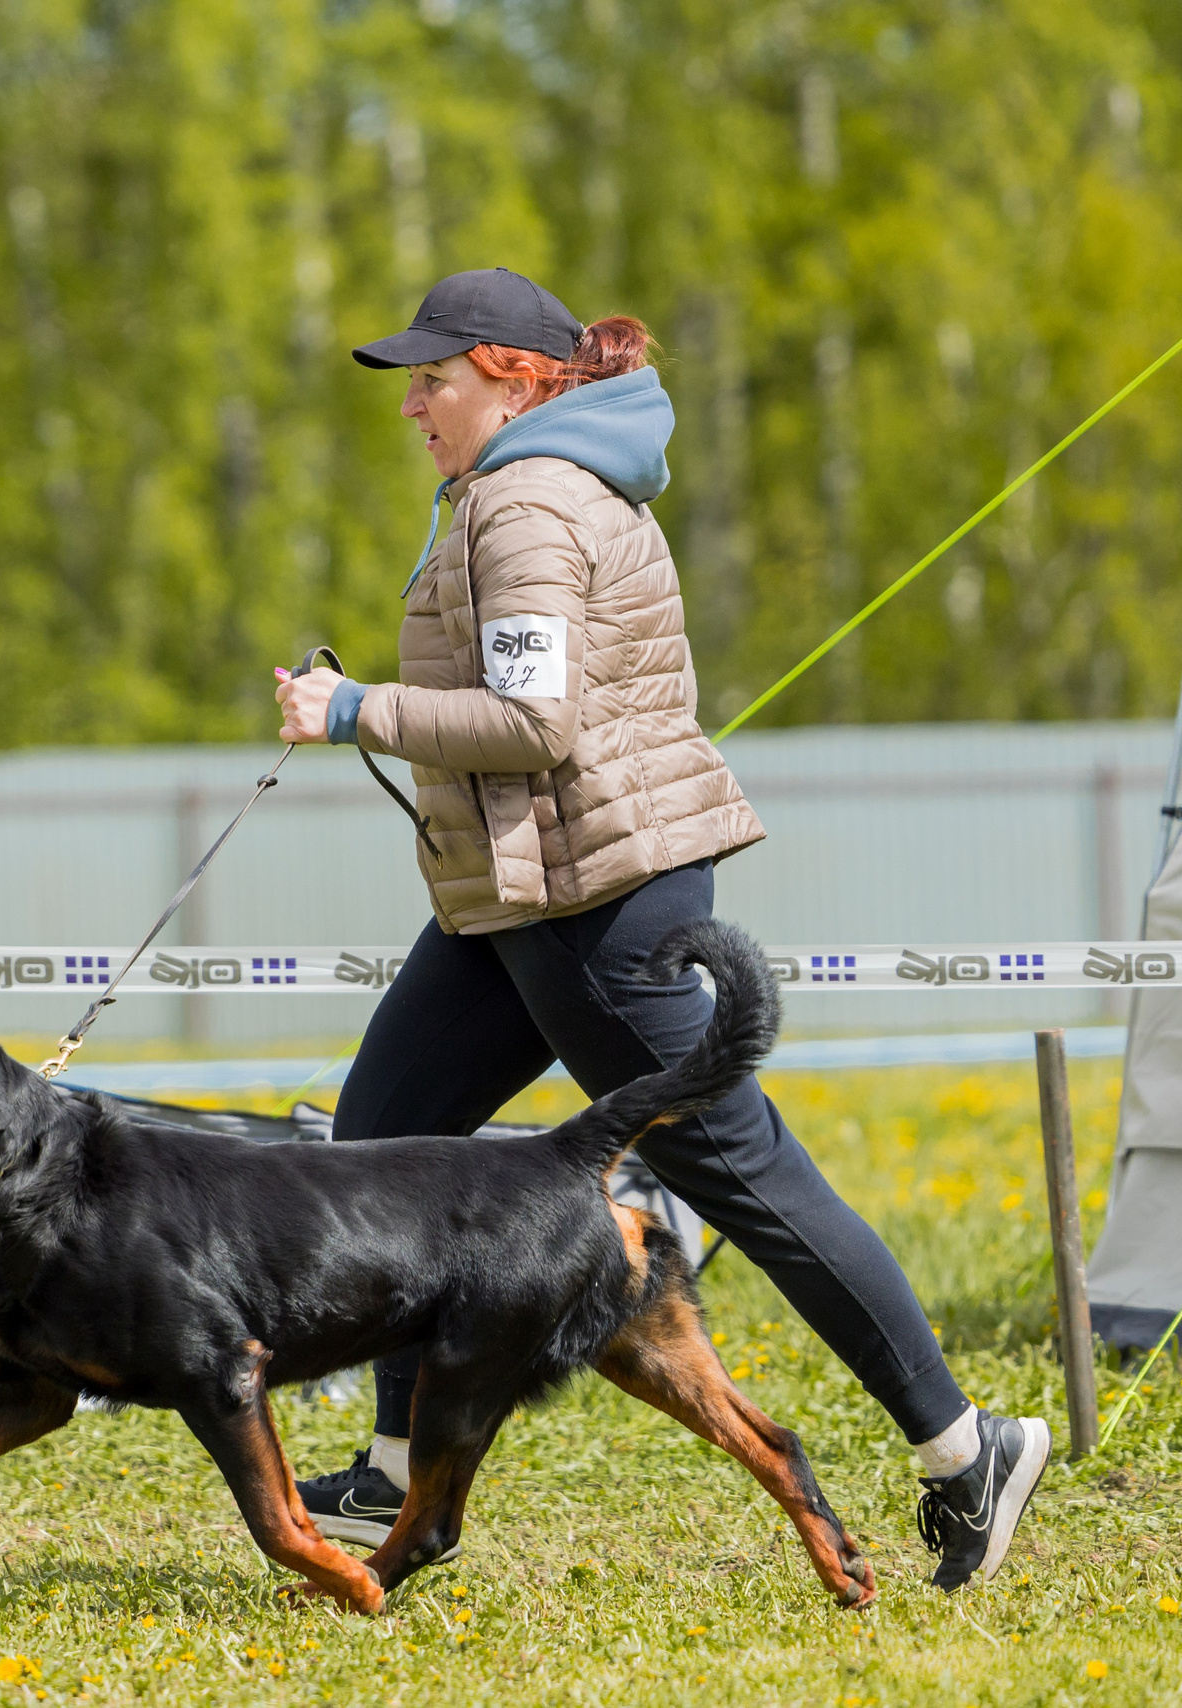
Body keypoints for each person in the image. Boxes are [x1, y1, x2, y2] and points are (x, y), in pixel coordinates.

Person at [271, 267, 1048, 1592]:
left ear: (513, 376)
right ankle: (396, 1471)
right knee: (385, 1139)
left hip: (595, 902)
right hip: (519, 892)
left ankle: (967, 1447)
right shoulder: (519, 486)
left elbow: (535, 726)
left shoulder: (528, 501)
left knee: (745, 1174)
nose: (414, 407)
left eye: (434, 380)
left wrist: (355, 710)